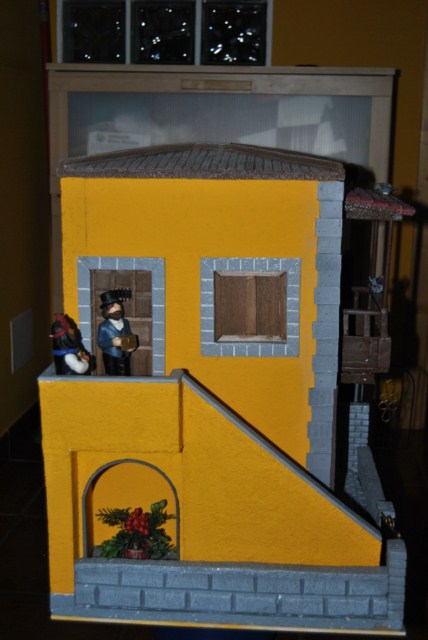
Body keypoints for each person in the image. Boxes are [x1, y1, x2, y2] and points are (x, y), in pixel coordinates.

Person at [97, 289, 138, 376]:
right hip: (111, 356)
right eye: (113, 306)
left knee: (125, 374)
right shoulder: (103, 326)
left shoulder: (125, 322)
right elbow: (100, 343)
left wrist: (131, 345)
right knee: (113, 376)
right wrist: (112, 342)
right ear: (107, 310)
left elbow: (129, 334)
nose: (117, 307)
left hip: (125, 355)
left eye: (118, 305)